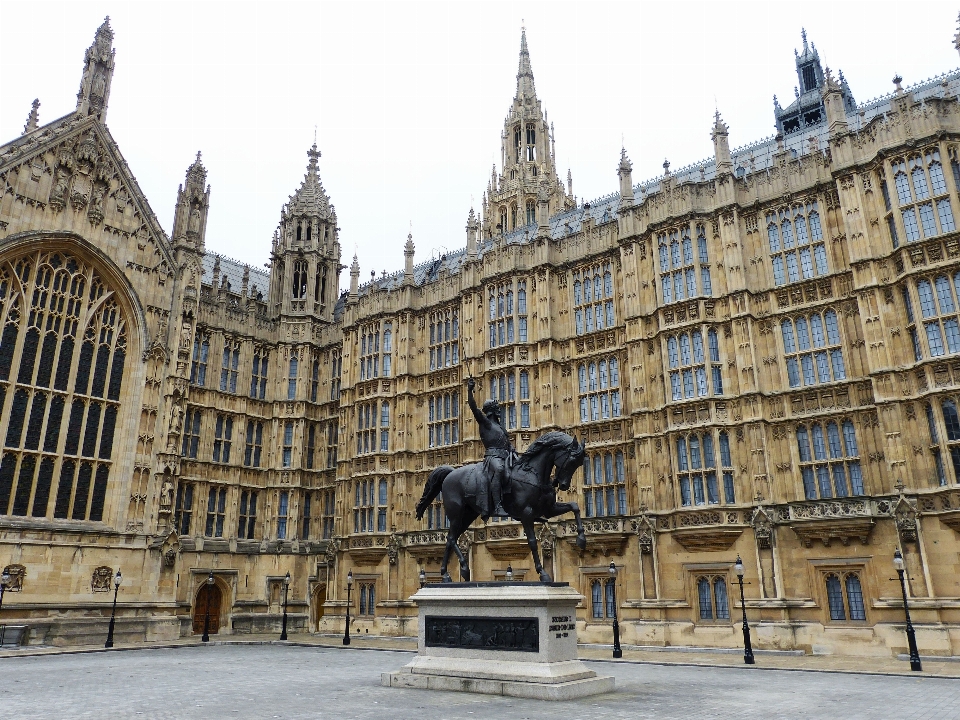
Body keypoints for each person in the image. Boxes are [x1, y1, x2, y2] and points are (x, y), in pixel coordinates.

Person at [466, 377, 511, 520]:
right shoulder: (486, 423)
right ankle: (497, 506)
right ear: (491, 411)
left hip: (506, 456)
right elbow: (473, 407)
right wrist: (469, 390)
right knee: (499, 470)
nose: (499, 410)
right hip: (492, 457)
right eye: (496, 408)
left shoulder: (500, 427)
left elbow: (508, 444)